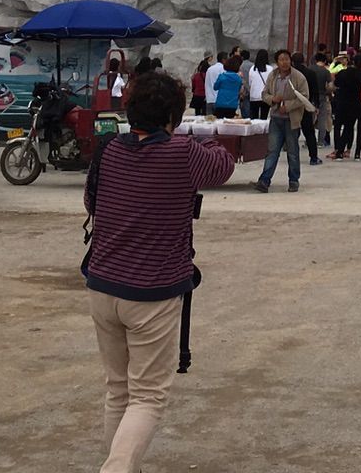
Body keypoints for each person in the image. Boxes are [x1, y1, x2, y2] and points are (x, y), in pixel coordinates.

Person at [84, 70, 235, 471]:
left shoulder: (108, 151)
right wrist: (210, 136)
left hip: (102, 284)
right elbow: (222, 166)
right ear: (174, 116)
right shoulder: (183, 153)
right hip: (152, 290)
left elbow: (91, 203)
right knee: (148, 396)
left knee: (118, 389)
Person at [255, 50, 313, 193]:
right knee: (272, 151)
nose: (284, 62)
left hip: (291, 120)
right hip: (276, 119)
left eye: (287, 59)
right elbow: (264, 94)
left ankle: (293, 180)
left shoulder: (298, 77)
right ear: (277, 62)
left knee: (292, 152)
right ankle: (264, 180)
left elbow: (304, 96)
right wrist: (272, 100)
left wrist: (288, 106)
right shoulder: (273, 76)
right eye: (281, 59)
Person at [331, 54, 361, 160]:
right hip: (358, 103)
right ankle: (357, 153)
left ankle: (339, 151)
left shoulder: (343, 73)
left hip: (343, 101)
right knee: (360, 128)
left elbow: (336, 84)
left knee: (345, 127)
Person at [297, 51, 328, 162]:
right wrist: (316, 105)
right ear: (303, 60)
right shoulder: (310, 73)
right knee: (309, 131)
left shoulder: (290, 73)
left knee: (291, 130)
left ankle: (290, 152)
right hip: (306, 104)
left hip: (292, 105)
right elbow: (315, 91)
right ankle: (313, 156)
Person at [245, 51, 269, 119]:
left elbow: (250, 83)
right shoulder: (270, 68)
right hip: (265, 97)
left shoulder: (252, 69)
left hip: (254, 96)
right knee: (264, 118)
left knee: (254, 118)